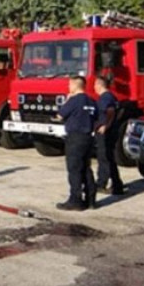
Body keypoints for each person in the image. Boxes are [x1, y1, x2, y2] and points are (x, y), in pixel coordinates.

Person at [56, 76, 98, 211]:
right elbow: (96, 117)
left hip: (75, 138)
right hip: (88, 137)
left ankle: (75, 200)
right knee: (86, 168)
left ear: (75, 85)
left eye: (69, 85)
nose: (68, 87)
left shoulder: (73, 101)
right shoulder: (91, 101)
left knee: (74, 169)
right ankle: (91, 200)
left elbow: (60, 115)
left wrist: (67, 100)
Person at [94, 76, 124, 195]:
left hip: (106, 132)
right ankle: (117, 185)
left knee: (104, 157)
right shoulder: (109, 97)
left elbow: (110, 111)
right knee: (109, 158)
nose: (94, 87)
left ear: (99, 85)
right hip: (108, 131)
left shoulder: (106, 98)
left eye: (95, 84)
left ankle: (102, 183)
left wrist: (105, 125)